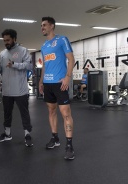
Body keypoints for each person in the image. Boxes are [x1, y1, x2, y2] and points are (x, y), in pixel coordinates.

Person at [39, 17, 75, 160]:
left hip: (60, 82)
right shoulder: (43, 46)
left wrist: (68, 76)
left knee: (66, 113)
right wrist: (41, 81)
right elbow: (44, 65)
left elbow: (71, 59)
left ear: (52, 26)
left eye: (45, 25)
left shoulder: (62, 39)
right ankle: (55, 138)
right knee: (51, 111)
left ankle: (69, 145)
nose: (42, 27)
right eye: (41, 25)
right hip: (47, 84)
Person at [0, 29, 33, 147]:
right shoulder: (2, 54)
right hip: (6, 91)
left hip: (20, 90)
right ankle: (7, 134)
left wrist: (14, 64)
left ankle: (27, 134)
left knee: (24, 113)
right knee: (7, 114)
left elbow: (29, 65)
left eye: (8, 40)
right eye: (4, 41)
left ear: (14, 39)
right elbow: (0, 70)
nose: (6, 42)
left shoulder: (23, 50)